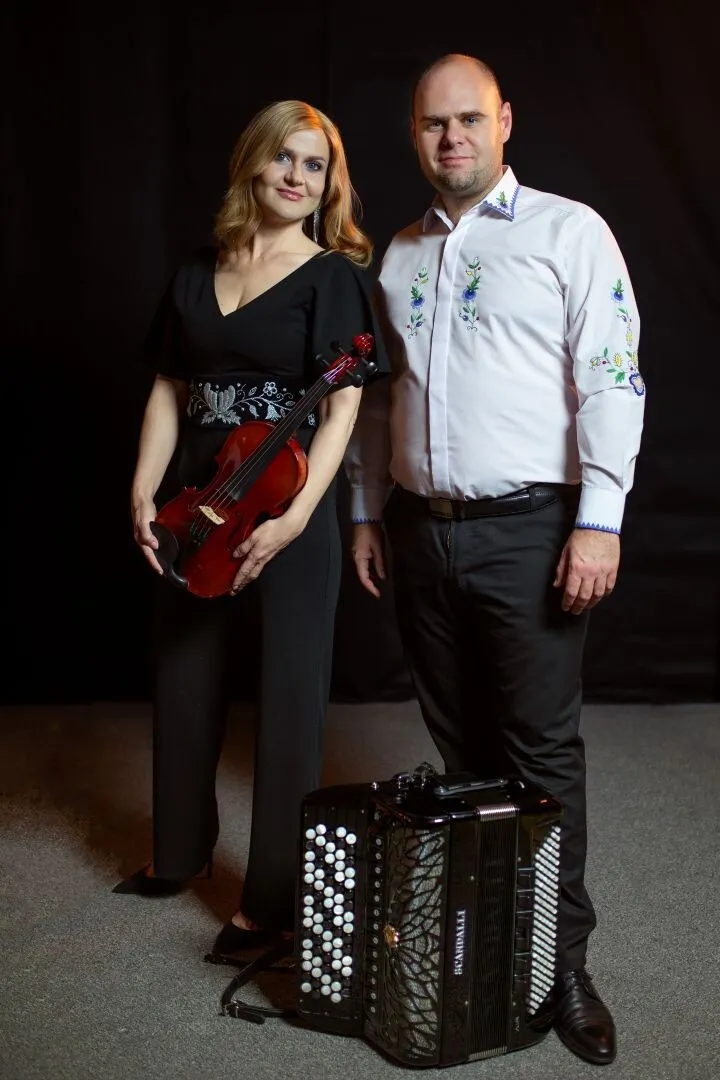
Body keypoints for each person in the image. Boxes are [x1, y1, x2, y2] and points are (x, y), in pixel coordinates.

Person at [346, 54, 645, 1066]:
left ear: (505, 121)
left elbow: (613, 377)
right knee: (464, 756)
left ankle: (563, 970)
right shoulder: (396, 255)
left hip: (532, 530)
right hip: (420, 530)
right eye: (434, 123)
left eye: (469, 119)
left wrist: (599, 519)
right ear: (414, 134)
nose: (453, 139)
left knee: (541, 759)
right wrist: (365, 513)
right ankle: (488, 959)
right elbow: (375, 401)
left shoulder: (570, 232)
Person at [114, 99, 388, 957]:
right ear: (254, 163)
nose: (297, 177)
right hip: (199, 498)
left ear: (328, 184)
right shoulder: (197, 271)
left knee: (290, 698)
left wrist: (301, 518)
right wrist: (143, 487)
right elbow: (170, 389)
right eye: (284, 158)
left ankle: (269, 903)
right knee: (183, 673)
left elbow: (344, 409)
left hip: (286, 503)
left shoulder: (332, 276)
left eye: (315, 165)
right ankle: (179, 852)